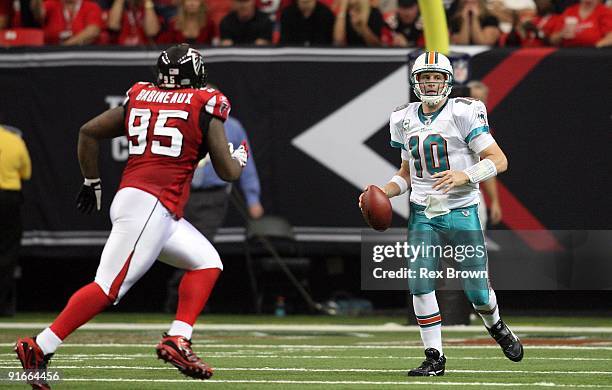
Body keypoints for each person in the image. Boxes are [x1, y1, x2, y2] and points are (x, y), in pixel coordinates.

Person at [14, 44, 248, 389]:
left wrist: (92, 182)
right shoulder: (205, 101)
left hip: (146, 203)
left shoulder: (140, 94)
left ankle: (178, 338)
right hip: (151, 204)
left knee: (207, 261)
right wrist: (238, 159)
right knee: (108, 287)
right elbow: (227, 172)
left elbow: (88, 131)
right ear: (195, 74)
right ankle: (39, 346)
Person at [360, 51, 522, 376]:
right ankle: (435, 358)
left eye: (436, 76)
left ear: (447, 80)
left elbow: (499, 160)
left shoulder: (464, 111)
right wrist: (380, 193)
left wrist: (466, 175)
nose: (430, 82)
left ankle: (497, 326)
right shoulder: (403, 117)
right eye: (424, 77)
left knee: (477, 292)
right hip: (424, 213)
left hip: (462, 211)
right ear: (415, 81)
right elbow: (407, 173)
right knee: (419, 283)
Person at [165, 112, 264, 312]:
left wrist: (252, 197)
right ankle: (185, 299)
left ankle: (183, 298)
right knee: (179, 245)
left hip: (214, 195)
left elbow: (246, 161)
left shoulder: (232, 127)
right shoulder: (182, 122)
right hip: (183, 191)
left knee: (200, 245)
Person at [0, 125, 31, 317]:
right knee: (7, 251)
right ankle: (3, 305)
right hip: (8, 198)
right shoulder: (14, 140)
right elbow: (26, 173)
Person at [467, 80, 502, 228]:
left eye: (480, 100)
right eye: (472, 99)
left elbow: (487, 166)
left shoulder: (482, 132)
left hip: (469, 197)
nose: (476, 104)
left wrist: (494, 201)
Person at [30, 0, 103, 45]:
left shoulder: (91, 6)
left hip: (81, 54)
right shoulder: (51, 4)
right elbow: (38, 15)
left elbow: (92, 32)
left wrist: (65, 47)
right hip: (52, 55)